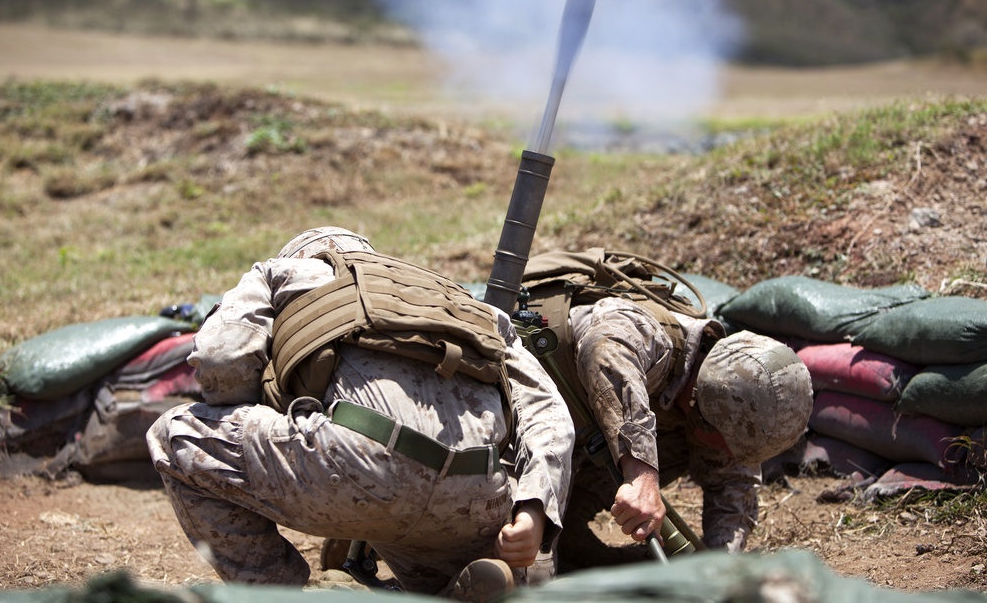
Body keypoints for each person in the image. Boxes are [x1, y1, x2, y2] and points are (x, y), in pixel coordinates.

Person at [146, 227, 575, 599]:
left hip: (353, 464)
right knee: (460, 580)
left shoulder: (282, 272)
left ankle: (284, 596)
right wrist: (535, 507)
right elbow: (546, 410)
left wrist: (264, 417)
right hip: (473, 489)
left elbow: (222, 360)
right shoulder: (467, 303)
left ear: (301, 255)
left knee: (174, 435)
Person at [517, 250, 814, 571]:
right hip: (515, 424)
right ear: (698, 406)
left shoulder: (725, 406)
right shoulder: (653, 338)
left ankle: (570, 537)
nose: (728, 456)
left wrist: (719, 569)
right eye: (724, 444)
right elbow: (604, 349)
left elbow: (734, 490)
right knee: (529, 576)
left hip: (574, 444)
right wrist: (641, 474)